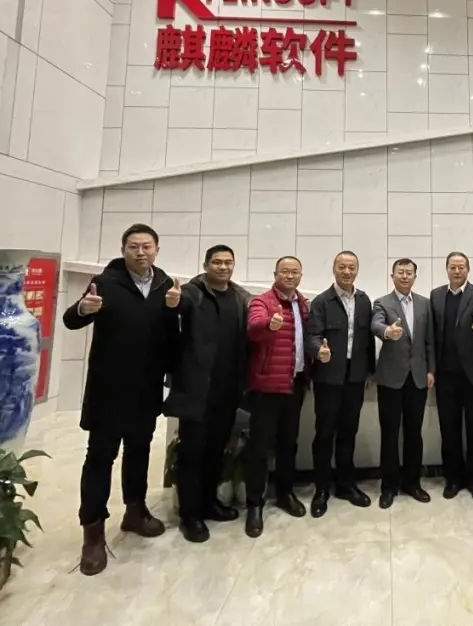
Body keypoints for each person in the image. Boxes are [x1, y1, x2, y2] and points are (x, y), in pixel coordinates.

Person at [62, 223, 181, 576]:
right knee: (100, 457)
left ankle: (135, 511)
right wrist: (84, 308)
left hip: (146, 387)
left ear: (157, 249)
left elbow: (168, 336)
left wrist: (173, 309)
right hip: (108, 389)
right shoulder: (105, 283)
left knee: (140, 450)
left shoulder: (165, 285)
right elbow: (70, 321)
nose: (140, 252)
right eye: (133, 246)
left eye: (147, 246)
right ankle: (93, 533)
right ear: (123, 249)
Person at [164, 244, 251, 543]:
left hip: (227, 390)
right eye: (217, 262)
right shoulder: (191, 293)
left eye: (228, 262)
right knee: (192, 453)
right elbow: (174, 317)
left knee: (216, 450)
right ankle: (190, 516)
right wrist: (171, 305)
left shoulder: (239, 297)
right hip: (196, 390)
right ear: (205, 265)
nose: (223, 267)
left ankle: (209, 502)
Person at [304, 251, 376, 518]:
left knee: (348, 432)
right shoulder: (322, 301)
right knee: (324, 434)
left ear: (357, 270)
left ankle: (346, 485)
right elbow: (312, 336)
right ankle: (321, 489)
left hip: (355, 378)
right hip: (328, 378)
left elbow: (367, 340)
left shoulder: (364, 300)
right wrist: (318, 351)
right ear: (334, 269)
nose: (347, 271)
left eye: (351, 267)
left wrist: (370, 371)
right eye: (342, 267)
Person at [243, 256, 310, 538]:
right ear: (275, 274)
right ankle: (254, 503)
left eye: (295, 272)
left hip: (294, 384)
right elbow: (253, 328)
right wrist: (268, 325)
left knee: (288, 444)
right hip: (267, 387)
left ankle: (285, 493)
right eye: (285, 271)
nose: (290, 276)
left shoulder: (302, 304)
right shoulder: (262, 302)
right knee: (260, 448)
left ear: (301, 276)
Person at [430, 252, 473, 502]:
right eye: (453, 267)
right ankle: (453, 478)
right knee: (449, 429)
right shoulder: (436, 295)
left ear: (468, 270)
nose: (457, 271)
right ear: (446, 269)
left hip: (472, 375)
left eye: (461, 267)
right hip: (445, 376)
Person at [372, 258, 435, 509]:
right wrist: (387, 332)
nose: (405, 276)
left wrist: (431, 369)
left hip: (418, 377)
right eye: (401, 272)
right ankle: (389, 487)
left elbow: (430, 340)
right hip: (390, 378)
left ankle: (412, 483)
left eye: (410, 273)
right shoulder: (382, 303)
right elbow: (376, 324)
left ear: (415, 277)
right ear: (393, 276)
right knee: (389, 433)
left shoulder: (425, 304)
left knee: (413, 433)